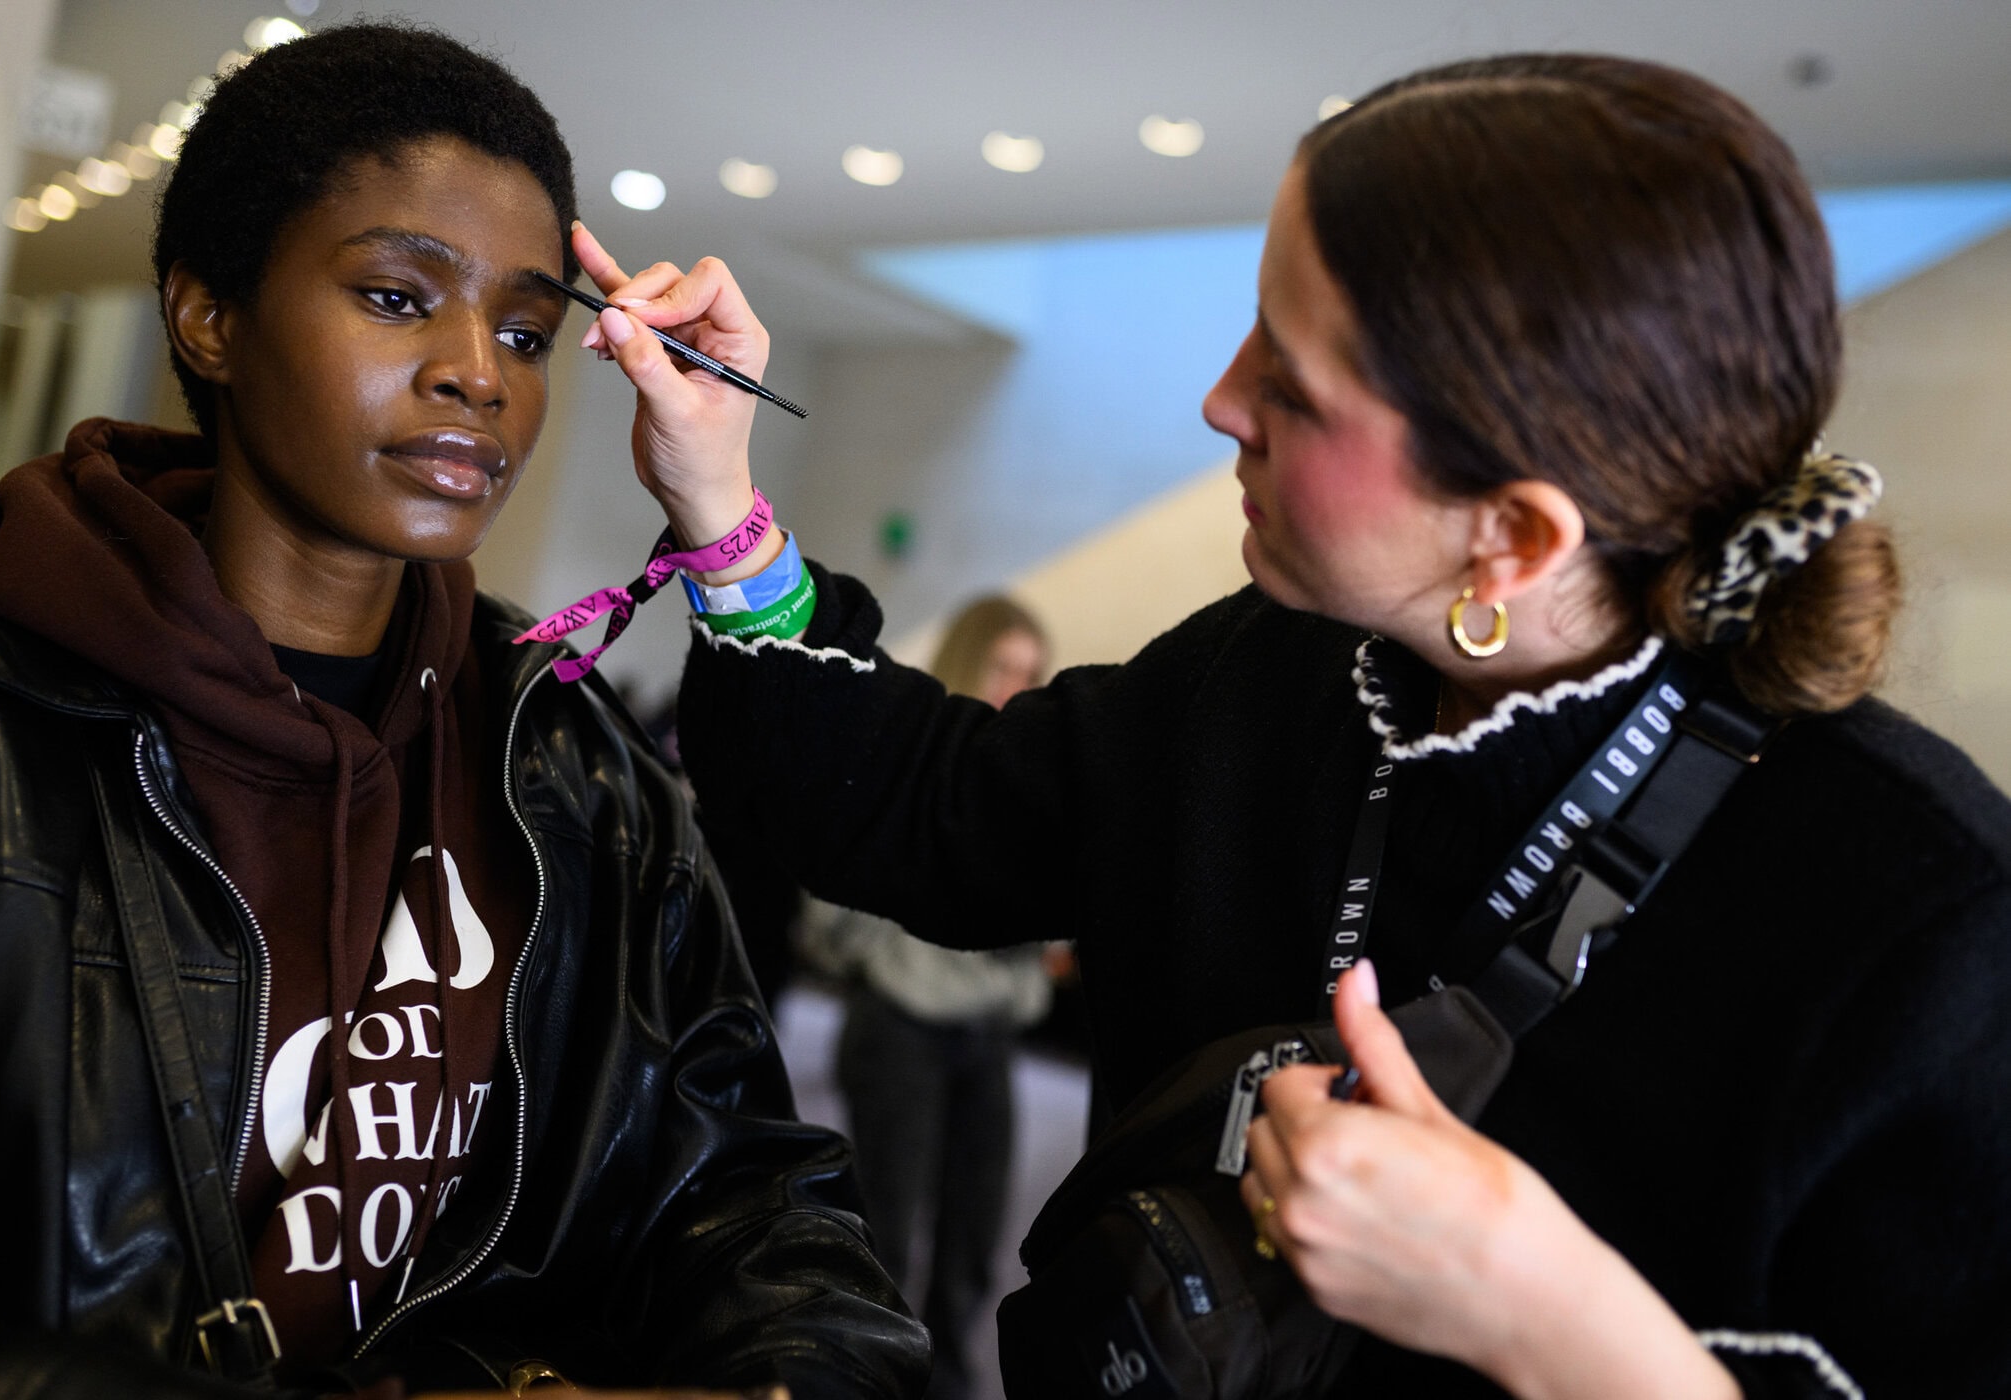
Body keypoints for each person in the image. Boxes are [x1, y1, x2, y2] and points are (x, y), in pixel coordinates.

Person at [560, 52, 2011, 1399]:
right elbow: (936, 811)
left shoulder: (1921, 917)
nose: (1217, 401)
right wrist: (724, 516)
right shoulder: (1284, 671)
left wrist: (1542, 1307)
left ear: (1509, 539)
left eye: (1292, 388)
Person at [0, 23, 926, 1399]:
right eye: (398, 298)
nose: (480, 374)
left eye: (523, 329)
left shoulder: (570, 763)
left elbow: (747, 1196)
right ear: (208, 316)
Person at [799, 596, 1053, 1400]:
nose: (1017, 686)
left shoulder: (1033, 777)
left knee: (978, 1239)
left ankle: (946, 1382)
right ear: (968, 660)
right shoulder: (911, 754)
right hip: (900, 1025)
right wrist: (887, 948)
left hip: (989, 1031)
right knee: (885, 1227)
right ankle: (871, 1376)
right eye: (1003, 666)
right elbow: (829, 896)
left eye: (1031, 673)